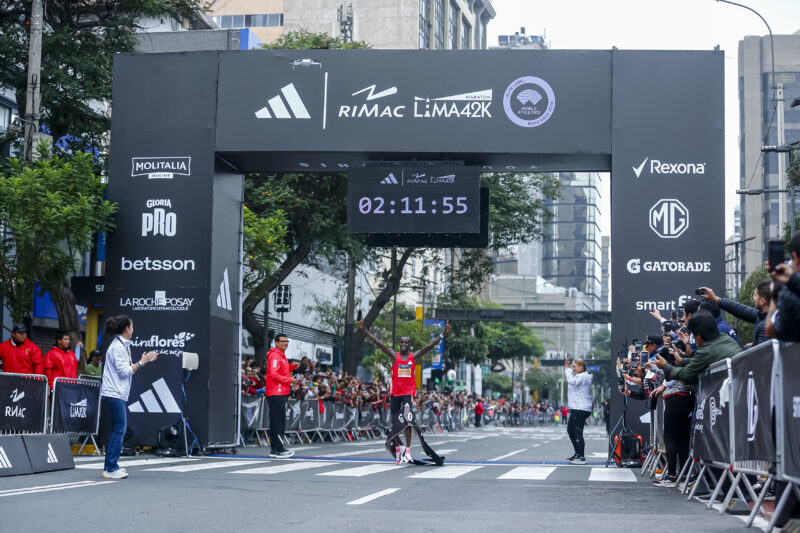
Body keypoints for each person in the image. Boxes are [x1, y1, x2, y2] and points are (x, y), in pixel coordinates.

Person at [359, 318, 450, 464]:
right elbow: (377, 342)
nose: (403, 344)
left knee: (408, 421)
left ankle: (407, 451)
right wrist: (364, 329)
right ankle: (398, 450)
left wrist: (442, 334)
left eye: (406, 342)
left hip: (407, 393)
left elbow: (429, 346)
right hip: (395, 393)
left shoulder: (413, 357)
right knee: (395, 424)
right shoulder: (394, 355)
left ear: (409, 345)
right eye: (401, 342)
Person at [100, 315, 159, 479]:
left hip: (116, 393)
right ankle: (111, 468)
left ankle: (111, 466)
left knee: (117, 429)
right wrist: (142, 362)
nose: (133, 329)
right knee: (120, 429)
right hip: (114, 393)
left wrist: (143, 361)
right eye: (132, 326)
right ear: (126, 328)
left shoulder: (122, 345)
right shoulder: (117, 347)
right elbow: (125, 371)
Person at [654, 312, 741, 384]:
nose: (694, 340)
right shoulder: (725, 337)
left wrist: (665, 366)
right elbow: (700, 360)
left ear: (698, 336)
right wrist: (681, 360)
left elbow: (686, 373)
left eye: (694, 336)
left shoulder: (706, 350)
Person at [697, 284, 771, 346]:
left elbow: (763, 355)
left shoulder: (766, 326)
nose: (753, 298)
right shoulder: (762, 316)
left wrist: (749, 348)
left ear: (762, 301)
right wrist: (717, 299)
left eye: (755, 295)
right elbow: (741, 310)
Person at [767, 231, 800, 342]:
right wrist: (792, 279)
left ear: (795, 257)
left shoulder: (788, 298)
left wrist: (775, 292)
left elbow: (771, 329)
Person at [265, 334, 295, 458]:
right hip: (276, 392)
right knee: (278, 421)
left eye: (287, 341)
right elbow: (273, 374)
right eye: (283, 341)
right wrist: (289, 380)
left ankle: (275, 448)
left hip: (280, 392)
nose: (285, 343)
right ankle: (279, 448)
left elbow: (279, 371)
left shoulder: (281, 356)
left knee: (278, 420)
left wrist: (292, 367)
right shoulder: (275, 356)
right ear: (276, 342)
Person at [564, 357, 592, 465]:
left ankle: (581, 457)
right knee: (570, 430)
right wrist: (569, 369)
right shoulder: (580, 375)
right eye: (572, 366)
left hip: (581, 408)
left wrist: (567, 369)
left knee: (577, 432)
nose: (573, 369)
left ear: (581, 367)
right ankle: (577, 453)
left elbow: (572, 381)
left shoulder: (583, 376)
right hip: (576, 407)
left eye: (575, 367)